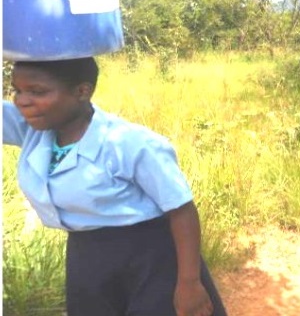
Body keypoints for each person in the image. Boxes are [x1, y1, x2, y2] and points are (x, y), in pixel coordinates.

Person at [3, 57, 228, 316]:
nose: (21, 101)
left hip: (150, 257)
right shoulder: (34, 129)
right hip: (86, 256)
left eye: (37, 92)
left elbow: (181, 210)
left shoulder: (130, 144)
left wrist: (189, 283)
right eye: (17, 90)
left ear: (81, 91)